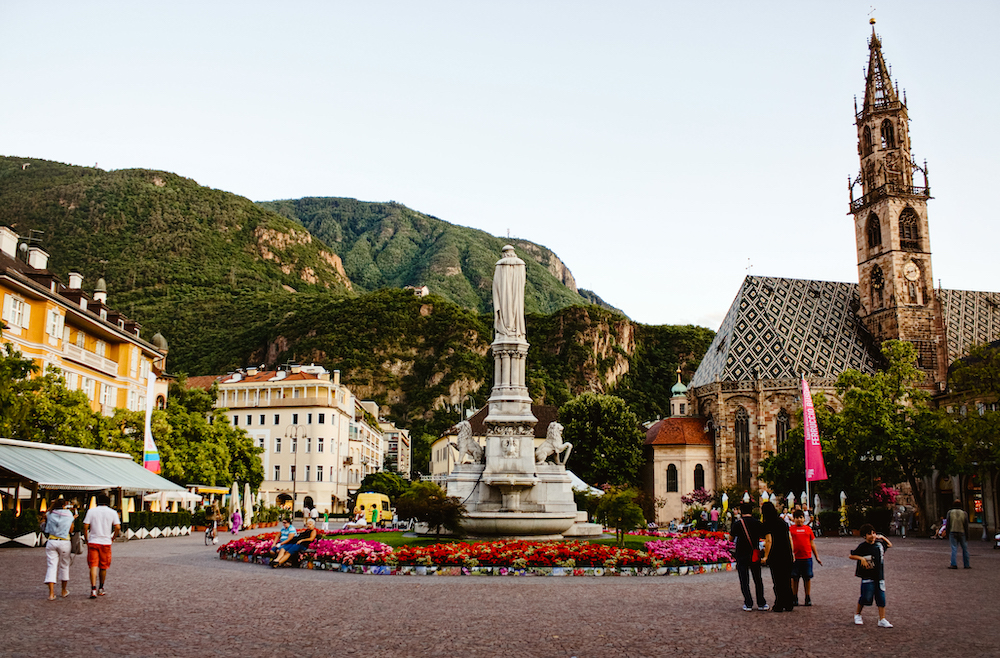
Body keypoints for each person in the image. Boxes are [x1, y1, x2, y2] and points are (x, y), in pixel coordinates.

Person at [850, 523, 893, 627]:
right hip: (867, 576)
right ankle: (858, 614)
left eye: (874, 533)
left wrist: (882, 537)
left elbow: (889, 545)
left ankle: (882, 619)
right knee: (865, 597)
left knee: (881, 598)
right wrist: (861, 558)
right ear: (864, 536)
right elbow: (851, 555)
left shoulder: (879, 545)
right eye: (869, 534)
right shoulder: (863, 546)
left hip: (879, 576)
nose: (873, 535)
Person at [83, 493, 121, 599]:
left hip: (93, 541)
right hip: (105, 542)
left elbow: (85, 526)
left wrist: (86, 538)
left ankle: (93, 589)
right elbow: (117, 527)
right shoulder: (112, 512)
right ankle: (101, 588)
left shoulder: (91, 511)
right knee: (103, 566)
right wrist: (113, 537)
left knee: (93, 565)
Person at [733, 502, 768, 611]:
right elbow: (764, 536)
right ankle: (761, 603)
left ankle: (748, 603)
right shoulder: (757, 523)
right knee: (757, 579)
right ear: (751, 511)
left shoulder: (738, 523)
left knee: (744, 580)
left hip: (741, 554)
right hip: (754, 554)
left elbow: (730, 538)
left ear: (741, 511)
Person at [761, 501, 795, 612]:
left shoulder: (768, 524)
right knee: (786, 580)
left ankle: (779, 604)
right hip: (786, 553)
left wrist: (766, 556)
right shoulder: (782, 522)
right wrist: (792, 552)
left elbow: (769, 540)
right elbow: (789, 537)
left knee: (778, 581)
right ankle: (789, 603)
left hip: (776, 555)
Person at [43, 499, 76, 601]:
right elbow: (71, 529)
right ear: (64, 505)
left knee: (51, 566)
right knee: (64, 565)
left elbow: (44, 517)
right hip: (65, 541)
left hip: (51, 541)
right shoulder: (69, 514)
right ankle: (63, 590)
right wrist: (73, 519)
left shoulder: (50, 513)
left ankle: (51, 593)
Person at [789, 509, 822, 606]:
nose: (799, 520)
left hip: (807, 557)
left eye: (801, 517)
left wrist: (817, 556)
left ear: (804, 519)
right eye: (796, 518)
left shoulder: (808, 529)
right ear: (793, 519)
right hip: (795, 558)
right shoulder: (791, 530)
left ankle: (807, 596)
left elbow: (812, 543)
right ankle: (794, 596)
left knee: (807, 578)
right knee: (794, 578)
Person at [946, 499, 970, 569]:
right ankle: (966, 564)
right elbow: (966, 525)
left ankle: (953, 564)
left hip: (953, 531)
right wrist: (967, 535)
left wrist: (947, 533)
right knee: (965, 549)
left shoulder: (950, 512)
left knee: (954, 548)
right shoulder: (964, 513)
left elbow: (948, 524)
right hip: (962, 532)